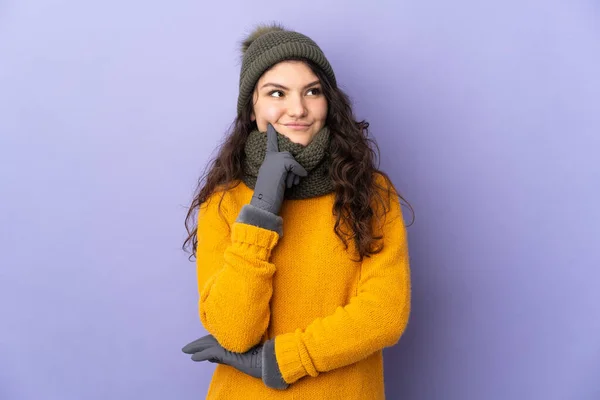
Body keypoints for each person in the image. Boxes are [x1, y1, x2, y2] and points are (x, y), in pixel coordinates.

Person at [181, 22, 414, 399]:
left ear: (328, 101)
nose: (298, 109)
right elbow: (235, 331)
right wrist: (263, 207)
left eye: (312, 91)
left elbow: (384, 314)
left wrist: (280, 360)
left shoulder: (370, 193)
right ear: (252, 107)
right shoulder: (225, 201)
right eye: (277, 93)